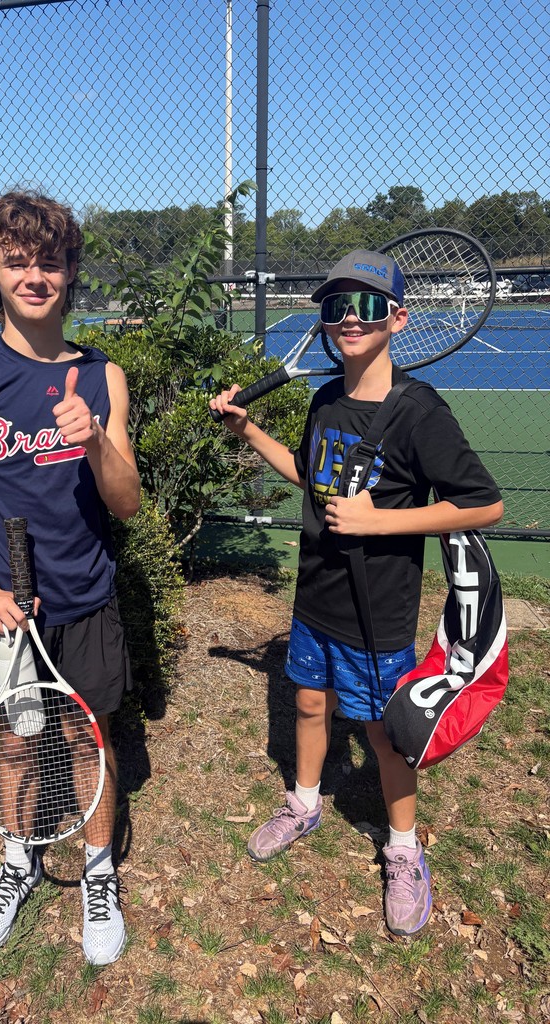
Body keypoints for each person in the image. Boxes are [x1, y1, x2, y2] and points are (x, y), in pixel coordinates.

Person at [210, 249, 503, 936]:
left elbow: (483, 504)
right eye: (335, 306)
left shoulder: (418, 413)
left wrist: (383, 521)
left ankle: (403, 851)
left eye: (366, 306)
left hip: (381, 613)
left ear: (397, 320)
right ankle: (304, 801)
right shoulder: (324, 399)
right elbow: (309, 476)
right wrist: (248, 430)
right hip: (317, 597)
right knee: (309, 702)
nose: (347, 318)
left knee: (385, 734)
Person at [0, 191, 140, 964]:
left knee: (88, 742)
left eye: (49, 260)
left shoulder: (103, 378)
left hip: (85, 601)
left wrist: (96, 442)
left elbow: (128, 502)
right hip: (5, 612)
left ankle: (99, 873)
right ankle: (20, 861)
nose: (35, 275)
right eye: (18, 262)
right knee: (13, 744)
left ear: (71, 270)